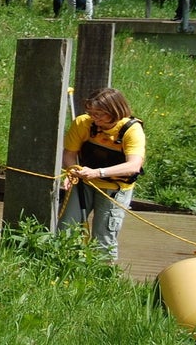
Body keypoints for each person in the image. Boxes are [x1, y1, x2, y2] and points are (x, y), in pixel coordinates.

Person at [59, 87, 146, 260]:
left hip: (115, 189)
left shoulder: (132, 130)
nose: (95, 118)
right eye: (91, 113)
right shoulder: (82, 123)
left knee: (104, 236)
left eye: (100, 114)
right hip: (84, 183)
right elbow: (69, 154)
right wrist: (72, 169)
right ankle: (62, 263)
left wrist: (98, 173)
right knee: (66, 227)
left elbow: (134, 165)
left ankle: (102, 271)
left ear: (116, 111)